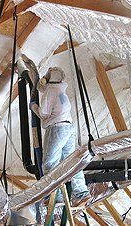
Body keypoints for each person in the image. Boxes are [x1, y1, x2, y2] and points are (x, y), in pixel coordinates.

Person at [29, 66, 91, 206]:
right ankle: (82, 193)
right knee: (71, 161)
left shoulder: (51, 91)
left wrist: (33, 107)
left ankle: (54, 196)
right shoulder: (60, 90)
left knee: (50, 163)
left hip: (57, 129)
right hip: (69, 127)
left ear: (49, 79)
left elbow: (44, 113)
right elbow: (42, 88)